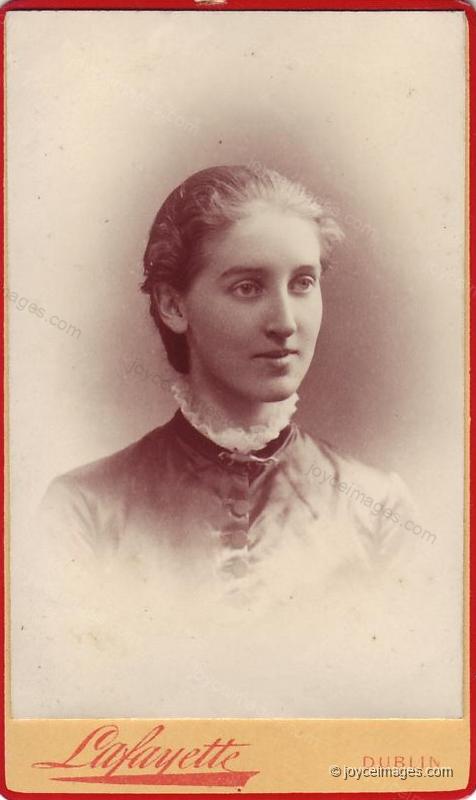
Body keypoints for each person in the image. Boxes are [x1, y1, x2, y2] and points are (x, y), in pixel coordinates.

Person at [21, 165, 446, 718]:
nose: (285, 321)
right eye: (248, 287)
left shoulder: (380, 509)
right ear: (174, 306)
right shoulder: (84, 509)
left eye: (303, 283)